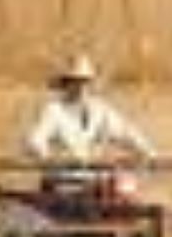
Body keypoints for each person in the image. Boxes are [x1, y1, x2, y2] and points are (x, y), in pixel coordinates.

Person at [23, 53, 157, 186]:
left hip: (95, 183)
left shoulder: (102, 110)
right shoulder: (53, 111)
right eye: (75, 82)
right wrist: (51, 159)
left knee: (124, 187)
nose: (81, 88)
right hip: (63, 183)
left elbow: (127, 133)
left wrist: (148, 153)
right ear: (66, 84)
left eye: (85, 82)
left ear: (91, 84)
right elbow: (34, 141)